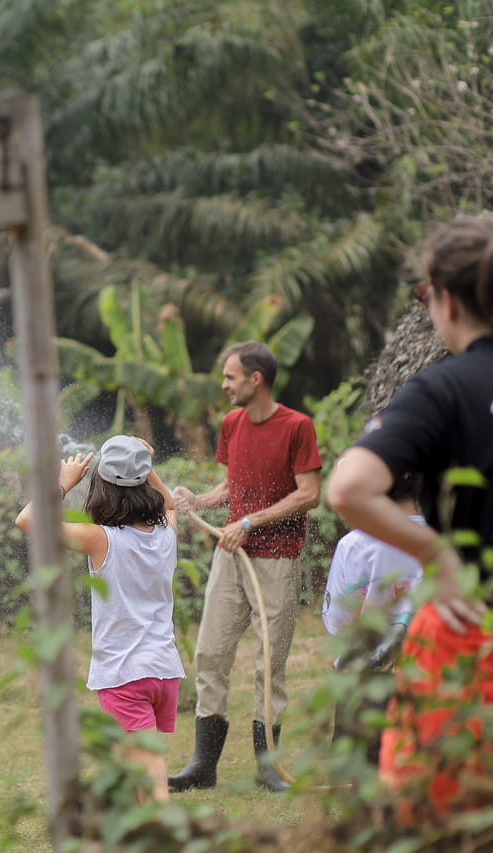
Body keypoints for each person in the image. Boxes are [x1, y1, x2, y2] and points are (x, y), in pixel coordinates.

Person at [326, 214, 493, 817]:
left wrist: (438, 553)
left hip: (469, 633)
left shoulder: (440, 391)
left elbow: (349, 488)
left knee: (440, 819)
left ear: (445, 301)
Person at [168, 341, 322, 793]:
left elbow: (309, 493)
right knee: (210, 653)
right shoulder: (232, 422)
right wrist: (199, 500)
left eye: (231, 377)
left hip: (275, 559)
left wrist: (251, 521)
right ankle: (203, 765)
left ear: (256, 380)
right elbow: (234, 482)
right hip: (230, 555)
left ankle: (267, 767)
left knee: (268, 663)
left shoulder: (297, 426)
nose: (224, 384)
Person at [15, 436, 183, 802]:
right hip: (164, 672)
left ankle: (167, 836)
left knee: (149, 775)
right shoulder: (167, 535)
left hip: (125, 676)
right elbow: (169, 504)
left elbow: (27, 521)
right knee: (133, 770)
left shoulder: (99, 540)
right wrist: (143, 464)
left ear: (101, 488)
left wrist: (63, 481)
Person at [321, 476, 424, 764]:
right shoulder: (443, 540)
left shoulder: (354, 544)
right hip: (426, 674)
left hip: (363, 676)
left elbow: (337, 619)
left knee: (361, 769)